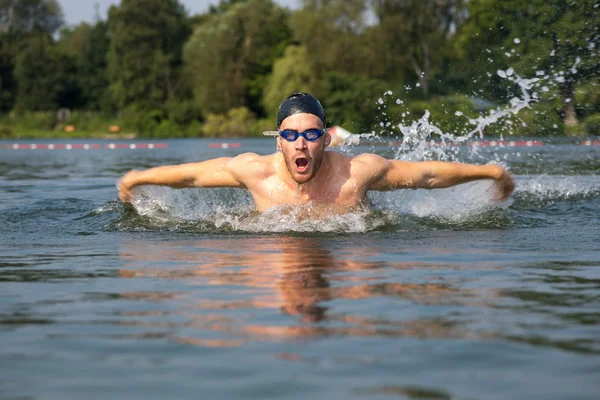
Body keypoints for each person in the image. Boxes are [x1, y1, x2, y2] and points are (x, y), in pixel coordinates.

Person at [118, 93, 515, 212]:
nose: (301, 144)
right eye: (291, 136)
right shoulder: (255, 171)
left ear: (325, 139)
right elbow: (190, 176)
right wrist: (137, 178)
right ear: (278, 141)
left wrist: (488, 172)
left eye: (311, 134)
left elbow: (425, 176)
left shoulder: (358, 173)